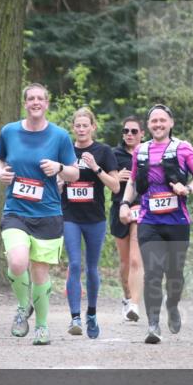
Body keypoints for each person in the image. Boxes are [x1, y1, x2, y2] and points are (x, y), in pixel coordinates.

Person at [0, 83, 79, 346]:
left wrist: (59, 167)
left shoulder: (60, 136)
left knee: (40, 273)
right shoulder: (9, 131)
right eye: (31, 98)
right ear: (25, 103)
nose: (35, 102)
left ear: (47, 103)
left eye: (40, 98)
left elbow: (75, 173)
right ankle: (22, 307)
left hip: (48, 213)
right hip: (16, 211)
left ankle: (42, 326)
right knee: (18, 263)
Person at [117, 104, 193, 344]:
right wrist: (125, 203)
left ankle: (173, 304)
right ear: (148, 125)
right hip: (149, 221)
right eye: (153, 121)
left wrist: (187, 189)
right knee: (153, 273)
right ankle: (153, 324)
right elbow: (134, 182)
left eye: (162, 120)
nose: (158, 124)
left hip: (177, 222)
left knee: (174, 274)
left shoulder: (183, 148)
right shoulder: (141, 151)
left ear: (171, 123)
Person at [61, 107, 119, 339]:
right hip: (70, 216)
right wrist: (60, 181)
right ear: (73, 128)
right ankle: (75, 317)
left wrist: (95, 167)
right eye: (78, 125)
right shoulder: (65, 150)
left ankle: (91, 313)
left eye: (86, 125)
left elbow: (115, 186)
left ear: (93, 127)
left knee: (92, 267)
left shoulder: (103, 151)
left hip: (95, 218)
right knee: (74, 264)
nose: (82, 129)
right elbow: (57, 179)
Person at [109, 116, 145, 322]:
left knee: (135, 259)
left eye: (133, 131)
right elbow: (106, 181)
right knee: (124, 263)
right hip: (119, 209)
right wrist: (116, 178)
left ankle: (135, 304)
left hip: (142, 209)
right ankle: (127, 297)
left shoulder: (149, 152)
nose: (129, 135)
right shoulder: (114, 154)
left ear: (142, 133)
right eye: (125, 131)